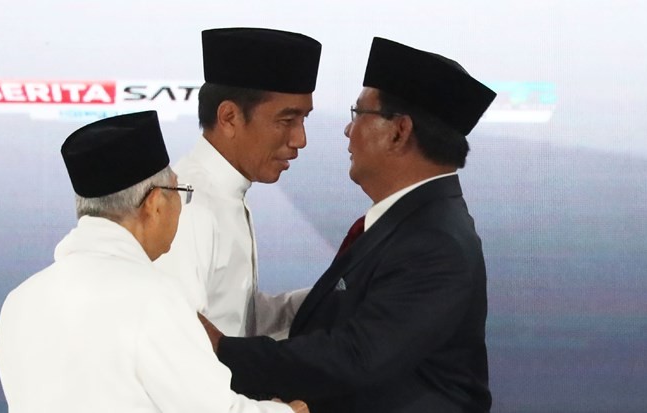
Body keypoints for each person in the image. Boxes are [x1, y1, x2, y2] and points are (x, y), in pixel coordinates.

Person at [199, 37, 497, 413]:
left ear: (398, 131)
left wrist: (222, 350)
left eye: (358, 114)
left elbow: (357, 356)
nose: (346, 131)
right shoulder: (412, 222)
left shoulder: (435, 241)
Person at [0, 111, 307, 413]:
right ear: (155, 204)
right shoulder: (154, 297)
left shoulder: (19, 301)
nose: (181, 206)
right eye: (180, 192)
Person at [155, 27, 322, 338]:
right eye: (287, 121)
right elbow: (173, 346)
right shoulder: (188, 208)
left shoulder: (223, 194)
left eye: (304, 120)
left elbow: (235, 318)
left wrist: (329, 299)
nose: (300, 139)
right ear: (229, 117)